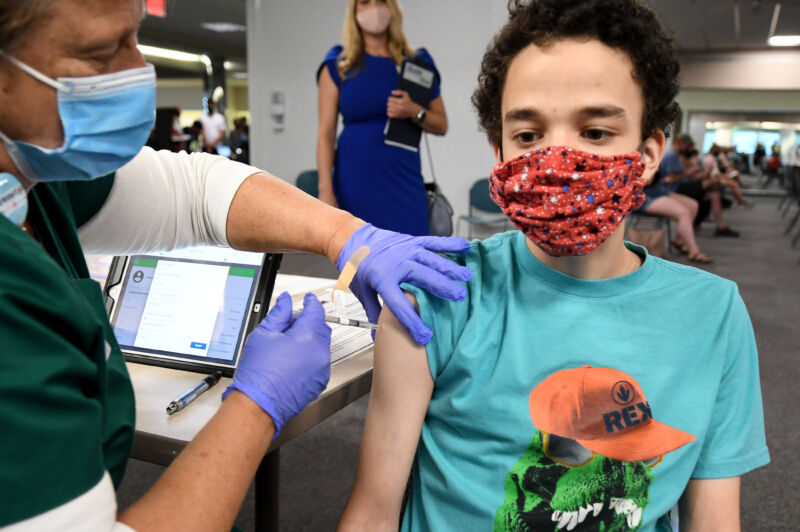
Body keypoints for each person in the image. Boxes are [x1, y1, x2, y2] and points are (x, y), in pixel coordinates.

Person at [0, 1, 473, 529]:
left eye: (137, 37)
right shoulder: (11, 296)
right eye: (103, 50)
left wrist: (347, 234)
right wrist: (256, 405)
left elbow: (195, 188)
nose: (139, 70)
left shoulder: (38, 174)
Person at [337, 1, 769, 531]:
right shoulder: (438, 294)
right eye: (528, 136)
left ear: (650, 153)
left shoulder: (713, 315)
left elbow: (715, 520)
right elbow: (373, 512)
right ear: (499, 152)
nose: (558, 159)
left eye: (595, 133)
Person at [316, 0, 448, 236]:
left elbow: (441, 124)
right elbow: (325, 135)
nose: (374, 8)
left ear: (393, 8)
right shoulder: (338, 65)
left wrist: (414, 111)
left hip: (403, 180)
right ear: (354, 12)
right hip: (353, 181)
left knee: (412, 254)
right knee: (358, 260)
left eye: (381, 1)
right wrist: (325, 191)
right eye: (365, 2)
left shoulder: (417, 61)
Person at [637, 139, 713, 263]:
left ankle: (679, 240)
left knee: (693, 205)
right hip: (644, 196)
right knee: (683, 212)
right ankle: (694, 251)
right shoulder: (646, 155)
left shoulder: (665, 154)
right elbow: (648, 180)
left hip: (658, 190)